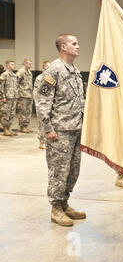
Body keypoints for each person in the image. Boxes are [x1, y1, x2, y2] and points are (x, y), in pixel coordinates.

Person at [35, 33, 86, 227]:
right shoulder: (53, 71)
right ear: (63, 47)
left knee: (72, 171)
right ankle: (56, 208)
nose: (78, 46)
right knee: (59, 171)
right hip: (60, 132)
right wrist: (47, 129)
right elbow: (42, 102)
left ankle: (64, 203)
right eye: (74, 43)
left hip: (75, 128)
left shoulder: (74, 70)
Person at [33, 60, 51, 149]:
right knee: (42, 123)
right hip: (41, 104)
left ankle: (49, 142)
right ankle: (41, 142)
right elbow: (35, 92)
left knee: (50, 123)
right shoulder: (40, 78)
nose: (49, 68)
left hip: (51, 105)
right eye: (47, 66)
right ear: (43, 67)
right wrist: (38, 104)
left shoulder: (52, 78)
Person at [0, 61, 19, 136]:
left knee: (12, 113)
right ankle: (5, 129)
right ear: (7, 65)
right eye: (12, 64)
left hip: (13, 97)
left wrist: (16, 95)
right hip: (7, 97)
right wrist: (3, 97)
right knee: (6, 114)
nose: (13, 66)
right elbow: (1, 87)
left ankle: (9, 128)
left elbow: (16, 87)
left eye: (14, 64)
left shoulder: (14, 75)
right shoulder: (4, 75)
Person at [16, 58, 34, 133]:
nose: (30, 65)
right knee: (23, 111)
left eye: (31, 63)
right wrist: (17, 94)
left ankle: (26, 126)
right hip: (22, 95)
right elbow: (15, 83)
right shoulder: (21, 72)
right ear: (25, 63)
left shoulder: (29, 72)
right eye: (29, 63)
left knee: (28, 111)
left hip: (29, 94)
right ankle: (22, 127)